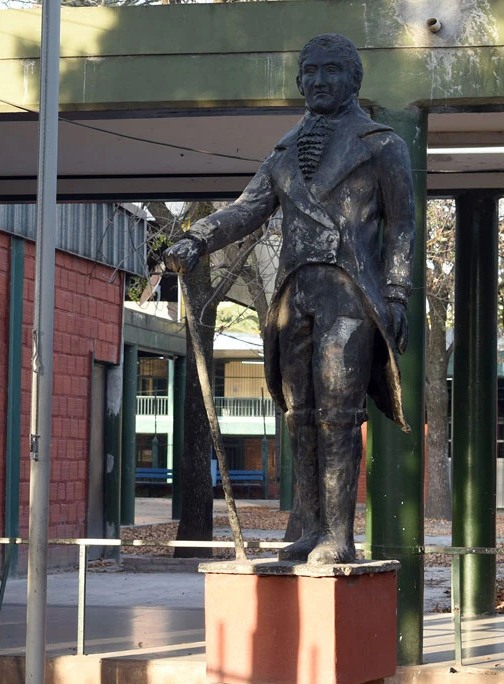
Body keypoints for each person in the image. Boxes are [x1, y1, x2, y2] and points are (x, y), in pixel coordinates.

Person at [164, 33, 414, 565]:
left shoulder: (381, 144)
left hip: (350, 294)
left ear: (354, 79)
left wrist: (397, 293)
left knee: (339, 415)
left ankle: (340, 536)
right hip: (294, 297)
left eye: (331, 70)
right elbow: (246, 209)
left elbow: (403, 226)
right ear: (300, 81)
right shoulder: (282, 153)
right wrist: (197, 237)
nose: (319, 80)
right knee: (300, 415)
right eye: (310, 71)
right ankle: (309, 527)